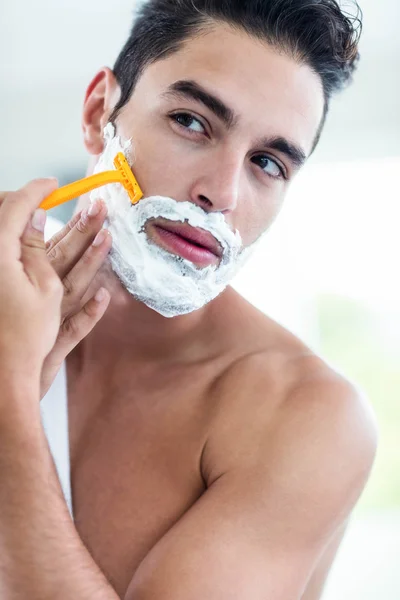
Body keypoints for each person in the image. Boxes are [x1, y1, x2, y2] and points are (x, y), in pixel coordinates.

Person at [0, 1, 378, 598]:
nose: (221, 193)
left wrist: (6, 393)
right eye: (192, 122)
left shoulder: (306, 416)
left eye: (267, 163)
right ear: (101, 113)